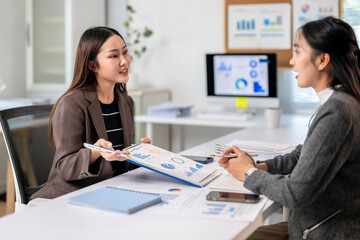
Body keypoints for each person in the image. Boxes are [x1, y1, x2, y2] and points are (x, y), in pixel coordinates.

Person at [219, 17, 360, 239]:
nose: (291, 61)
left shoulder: (338, 112)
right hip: (313, 226)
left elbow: (295, 193)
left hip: (324, 233)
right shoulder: (342, 101)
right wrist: (260, 166)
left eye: (298, 52)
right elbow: (302, 156)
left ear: (322, 60)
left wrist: (249, 173)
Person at [31, 26, 150, 200]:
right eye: (114, 56)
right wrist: (95, 152)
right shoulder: (71, 104)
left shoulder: (125, 101)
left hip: (111, 190)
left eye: (125, 52)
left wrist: (141, 153)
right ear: (92, 65)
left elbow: (120, 161)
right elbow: (64, 167)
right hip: (71, 195)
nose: (124, 61)